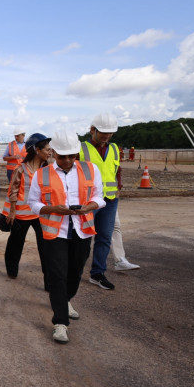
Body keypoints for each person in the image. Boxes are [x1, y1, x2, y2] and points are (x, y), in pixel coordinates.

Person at [28, 129, 105, 344]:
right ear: (53, 154)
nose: (68, 161)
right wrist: (53, 209)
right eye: (63, 157)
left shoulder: (91, 170)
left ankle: (65, 300)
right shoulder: (42, 175)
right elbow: (33, 203)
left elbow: (100, 196)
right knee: (57, 275)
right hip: (56, 233)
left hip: (82, 229)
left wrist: (91, 205)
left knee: (76, 271)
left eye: (72, 156)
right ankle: (60, 322)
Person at [1, 133, 52, 288]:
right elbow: (13, 191)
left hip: (41, 214)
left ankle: (49, 281)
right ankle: (12, 269)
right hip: (22, 215)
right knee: (16, 244)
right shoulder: (21, 169)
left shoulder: (48, 169)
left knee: (46, 246)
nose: (50, 152)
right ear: (37, 150)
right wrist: (12, 212)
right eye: (47, 149)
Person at [79, 113, 121, 290]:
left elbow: (117, 170)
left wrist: (119, 187)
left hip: (110, 201)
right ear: (92, 129)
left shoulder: (114, 148)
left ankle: (97, 273)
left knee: (104, 237)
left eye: (110, 132)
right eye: (103, 131)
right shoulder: (81, 149)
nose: (107, 135)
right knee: (83, 237)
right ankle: (75, 270)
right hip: (88, 201)